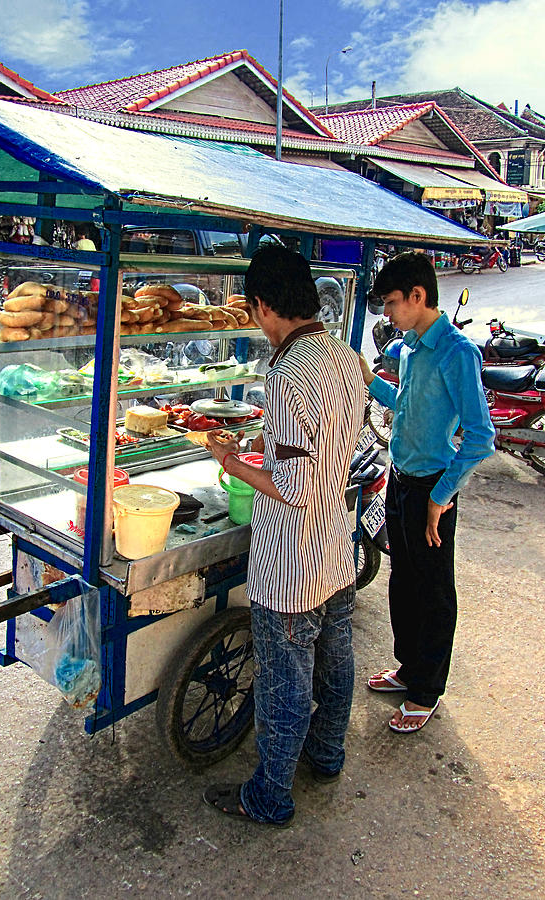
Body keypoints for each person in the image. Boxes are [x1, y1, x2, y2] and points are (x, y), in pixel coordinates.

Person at [202, 244, 364, 826]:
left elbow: (291, 485)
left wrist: (231, 461)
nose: (255, 322)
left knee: (284, 683)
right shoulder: (345, 357)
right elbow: (337, 449)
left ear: (265, 304)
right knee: (336, 663)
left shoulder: (288, 373)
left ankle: (269, 795)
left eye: (253, 311)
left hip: (290, 563)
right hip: (334, 548)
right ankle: (325, 754)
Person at [359, 252, 494, 733]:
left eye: (393, 303)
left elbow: (480, 436)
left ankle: (426, 689)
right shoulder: (412, 347)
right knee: (403, 581)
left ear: (418, 296)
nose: (389, 314)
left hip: (431, 488)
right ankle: (408, 667)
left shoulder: (457, 353)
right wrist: (372, 379)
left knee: (434, 591)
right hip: (399, 478)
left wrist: (441, 496)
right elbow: (407, 406)